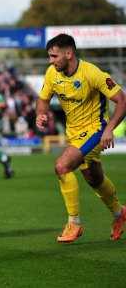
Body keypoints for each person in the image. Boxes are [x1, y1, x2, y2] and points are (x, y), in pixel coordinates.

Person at [36, 33, 126, 243]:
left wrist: (109, 129)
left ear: (69, 53)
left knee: (62, 166)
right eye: (49, 57)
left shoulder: (91, 72)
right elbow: (43, 99)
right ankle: (119, 213)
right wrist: (41, 113)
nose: (51, 61)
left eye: (54, 56)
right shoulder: (52, 74)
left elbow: (121, 100)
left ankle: (74, 223)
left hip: (95, 129)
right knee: (94, 178)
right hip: (74, 133)